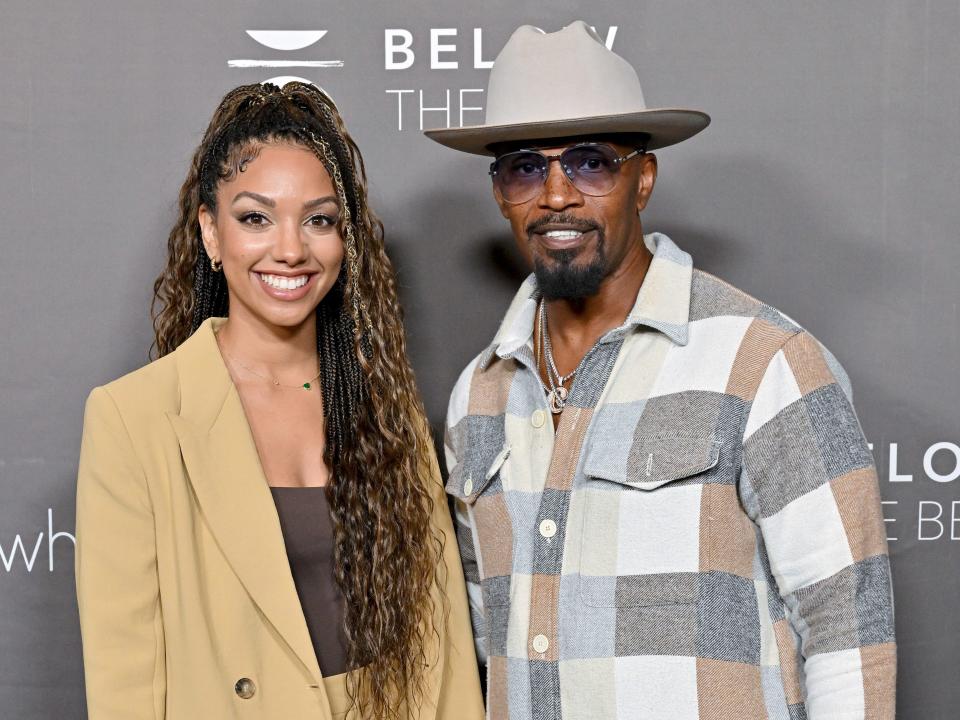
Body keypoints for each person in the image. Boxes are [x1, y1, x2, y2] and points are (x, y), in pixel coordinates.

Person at [426, 21, 895, 720]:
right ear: (500, 192)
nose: (556, 195)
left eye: (589, 162)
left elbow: (847, 629)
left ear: (642, 178)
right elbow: (485, 638)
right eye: (526, 166)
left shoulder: (762, 360)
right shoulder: (479, 394)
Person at [75, 82, 484, 720]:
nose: (291, 249)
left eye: (318, 219)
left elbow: (447, 639)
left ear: (345, 240)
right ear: (211, 232)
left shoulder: (385, 408)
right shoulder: (136, 418)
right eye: (255, 217)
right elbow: (124, 678)